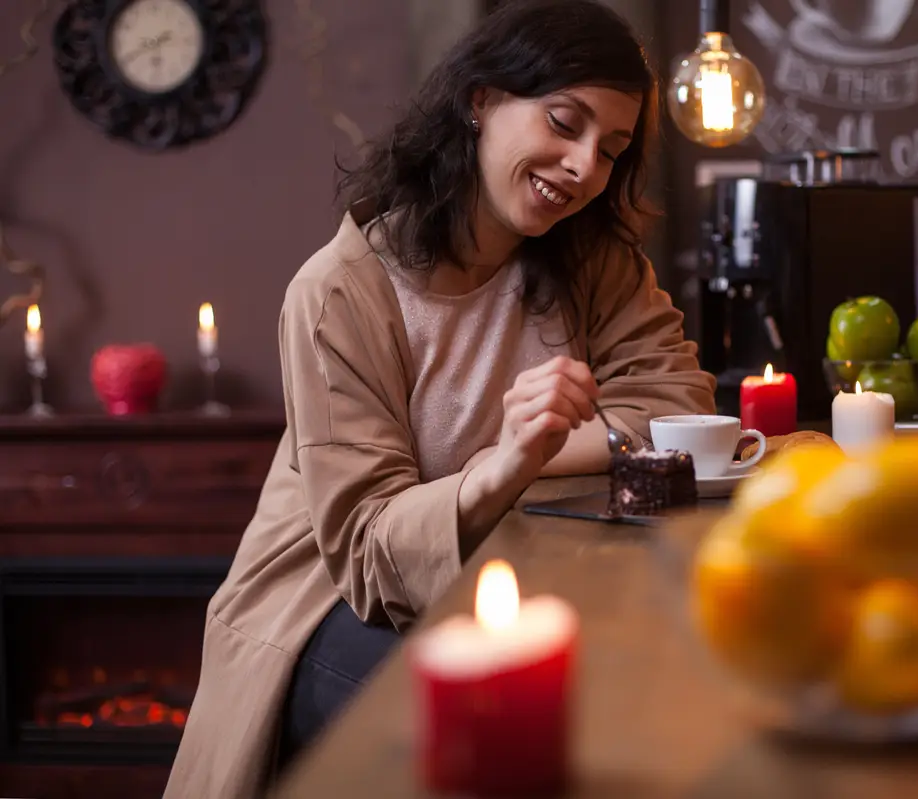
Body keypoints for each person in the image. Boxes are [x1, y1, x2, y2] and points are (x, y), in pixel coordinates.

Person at [164, 0, 715, 795]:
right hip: (319, 604)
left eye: (611, 150)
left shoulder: (593, 261)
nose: (585, 167)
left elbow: (677, 402)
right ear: (481, 99)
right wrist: (505, 462)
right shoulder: (338, 294)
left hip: (506, 574)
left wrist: (540, 451)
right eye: (565, 123)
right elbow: (366, 551)